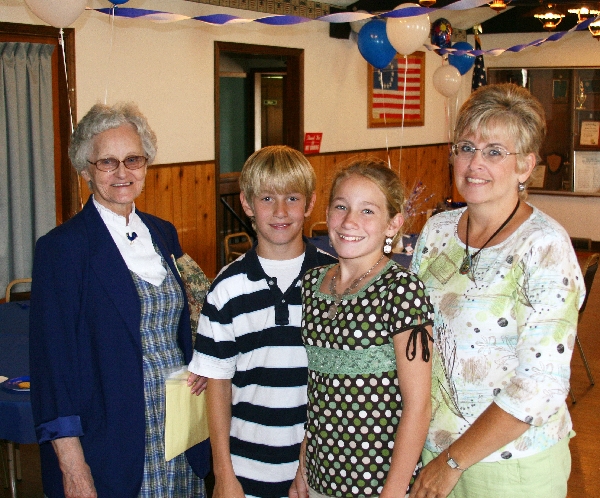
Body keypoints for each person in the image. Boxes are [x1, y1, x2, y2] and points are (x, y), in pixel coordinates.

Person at [409, 83, 585, 498]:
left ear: (525, 166)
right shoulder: (437, 233)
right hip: (432, 449)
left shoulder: (543, 247)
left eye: (494, 151)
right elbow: (411, 340)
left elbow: (540, 386)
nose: (474, 163)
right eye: (466, 146)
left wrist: (452, 461)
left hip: (509, 467)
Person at [29, 102, 210, 498]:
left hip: (181, 431)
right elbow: (52, 370)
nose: (123, 173)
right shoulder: (62, 249)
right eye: (107, 162)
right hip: (112, 441)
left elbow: (188, 322)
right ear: (85, 170)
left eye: (133, 159)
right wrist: (73, 468)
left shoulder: (163, 234)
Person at [187, 145, 337, 498]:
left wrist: (311, 461)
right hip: (247, 470)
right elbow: (218, 386)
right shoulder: (227, 288)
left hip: (324, 468)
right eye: (267, 198)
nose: (281, 211)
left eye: (292, 198)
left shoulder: (334, 280)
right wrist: (224, 476)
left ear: (310, 203)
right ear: (247, 204)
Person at [290, 159, 434, 498]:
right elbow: (319, 391)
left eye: (367, 211)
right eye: (341, 206)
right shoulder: (313, 284)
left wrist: (393, 493)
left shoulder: (401, 291)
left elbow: (419, 406)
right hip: (322, 476)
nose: (350, 221)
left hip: (379, 482)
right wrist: (303, 464)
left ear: (393, 224)